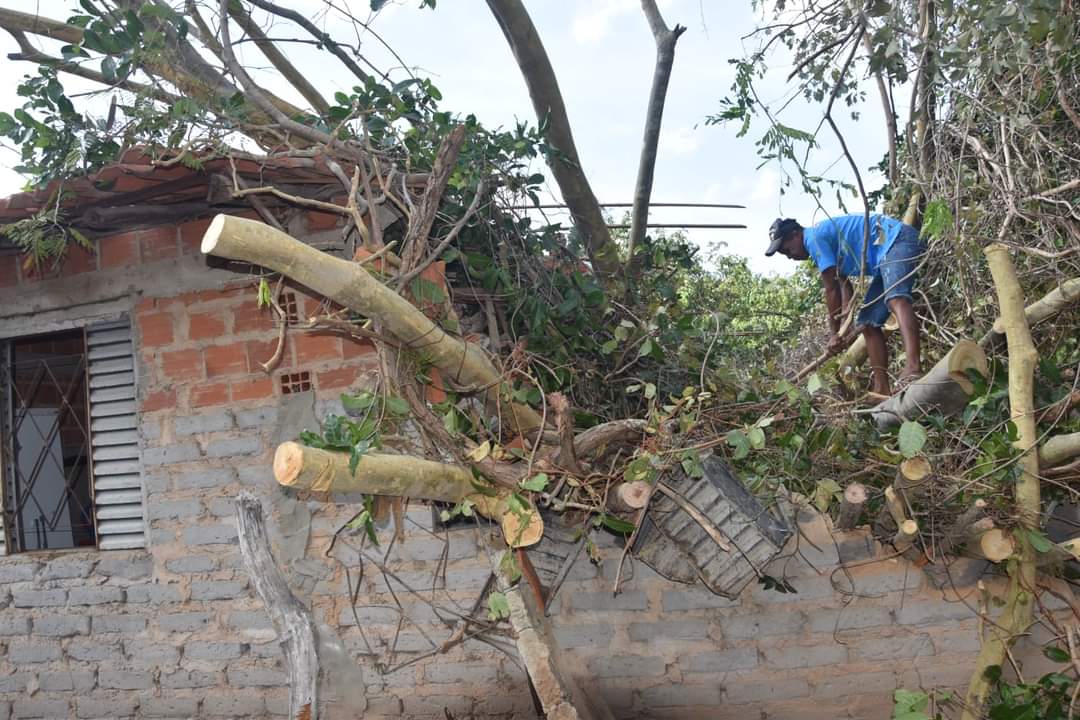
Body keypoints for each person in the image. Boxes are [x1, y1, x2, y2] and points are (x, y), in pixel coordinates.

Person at [766, 213, 925, 396]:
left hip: (897, 240)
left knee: (897, 298)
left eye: (787, 250)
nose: (790, 256)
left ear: (795, 235)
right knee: (868, 323)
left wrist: (833, 334)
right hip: (886, 255)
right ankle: (882, 390)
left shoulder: (813, 239)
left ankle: (913, 368)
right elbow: (843, 287)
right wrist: (844, 329)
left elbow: (831, 289)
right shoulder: (822, 243)